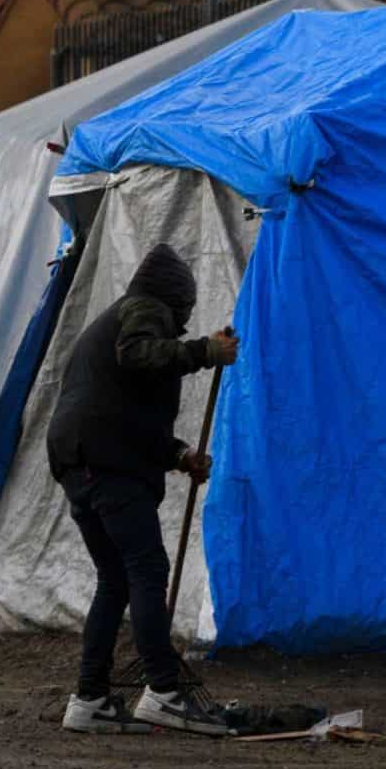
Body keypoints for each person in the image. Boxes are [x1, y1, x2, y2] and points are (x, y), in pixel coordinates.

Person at [47, 242, 240, 736]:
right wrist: (203, 351)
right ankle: (164, 692)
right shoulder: (143, 310)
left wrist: (179, 456)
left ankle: (89, 700)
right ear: (177, 297)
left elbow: (123, 411)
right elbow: (138, 358)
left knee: (115, 578)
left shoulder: (124, 317)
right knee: (146, 569)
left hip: (82, 460)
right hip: (104, 464)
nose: (184, 319)